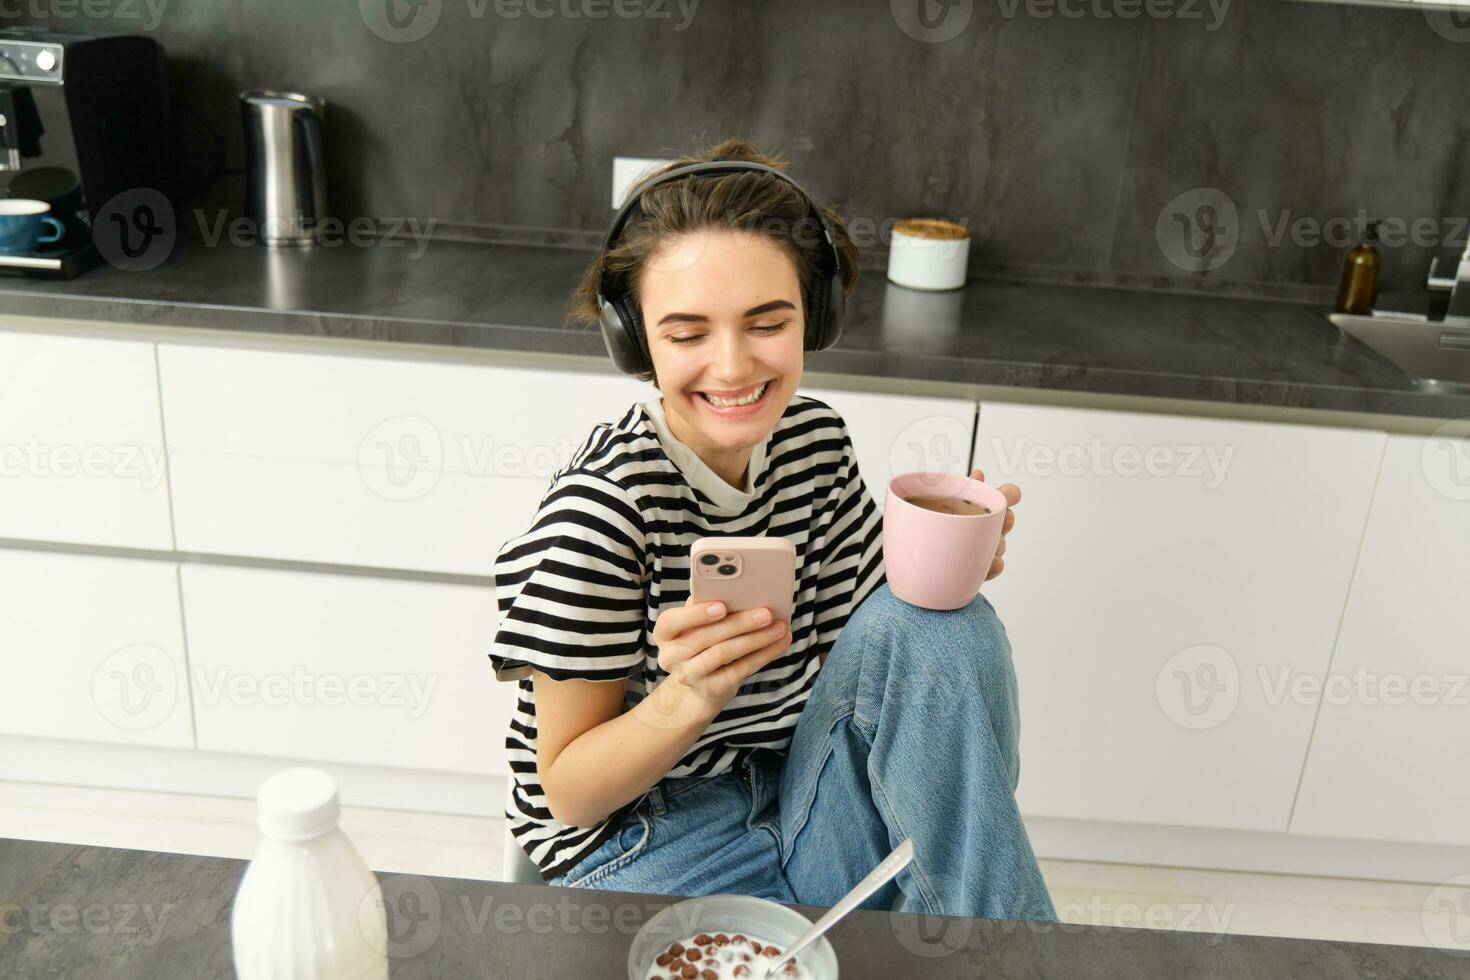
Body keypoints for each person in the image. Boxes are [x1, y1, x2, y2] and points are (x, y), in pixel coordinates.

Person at [487, 138, 1056, 921]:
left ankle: (1017, 952)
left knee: (949, 630)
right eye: (687, 334)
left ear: (813, 318)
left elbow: (876, 651)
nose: (731, 366)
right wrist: (685, 696)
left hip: (797, 791)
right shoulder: (603, 513)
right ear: (633, 338)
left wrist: (945, 564)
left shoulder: (814, 443)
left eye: (766, 323)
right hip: (644, 833)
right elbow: (570, 792)